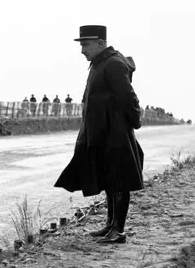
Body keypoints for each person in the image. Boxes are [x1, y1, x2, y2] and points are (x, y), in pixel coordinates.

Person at [55, 25, 144, 245]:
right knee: (109, 179)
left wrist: (133, 122)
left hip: (115, 134)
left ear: (100, 44)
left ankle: (119, 231)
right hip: (102, 134)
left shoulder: (113, 64)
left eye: (85, 45)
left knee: (119, 180)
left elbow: (128, 97)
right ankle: (111, 226)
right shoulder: (99, 63)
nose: (82, 50)